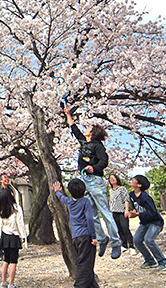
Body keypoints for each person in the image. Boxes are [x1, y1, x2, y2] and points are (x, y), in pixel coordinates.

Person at [64, 105, 122, 259]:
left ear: (92, 132)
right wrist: (68, 114)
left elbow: (104, 161)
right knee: (92, 215)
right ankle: (102, 238)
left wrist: (93, 168)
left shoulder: (98, 146)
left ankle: (116, 242)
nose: (86, 129)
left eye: (88, 128)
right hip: (84, 182)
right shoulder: (84, 142)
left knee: (105, 212)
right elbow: (74, 129)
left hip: (95, 181)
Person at [54, 179, 99, 288]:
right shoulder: (85, 201)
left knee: (85, 263)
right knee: (85, 264)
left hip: (76, 237)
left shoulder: (69, 201)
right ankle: (79, 286)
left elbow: (61, 198)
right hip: (86, 236)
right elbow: (89, 219)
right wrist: (93, 236)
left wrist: (57, 191)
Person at [126, 174, 166, 271]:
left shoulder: (146, 197)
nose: (132, 180)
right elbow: (135, 208)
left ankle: (164, 262)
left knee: (149, 240)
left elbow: (153, 212)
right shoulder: (132, 195)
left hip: (155, 222)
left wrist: (137, 214)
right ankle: (150, 261)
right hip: (144, 222)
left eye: (134, 180)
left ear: (139, 185)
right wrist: (133, 212)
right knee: (137, 240)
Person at [0, 188, 27, 288]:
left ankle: (3, 281)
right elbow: (20, 224)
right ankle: (11, 283)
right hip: (13, 236)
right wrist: (23, 236)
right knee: (14, 261)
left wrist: (0, 237)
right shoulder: (16, 208)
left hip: (5, 236)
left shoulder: (1, 210)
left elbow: (0, 225)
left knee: (6, 260)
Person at [108, 174, 136, 255]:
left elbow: (126, 199)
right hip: (114, 212)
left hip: (122, 211)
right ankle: (124, 245)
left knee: (125, 228)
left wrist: (126, 210)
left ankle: (131, 246)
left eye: (114, 178)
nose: (112, 179)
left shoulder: (122, 189)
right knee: (119, 229)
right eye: (110, 178)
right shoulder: (110, 190)